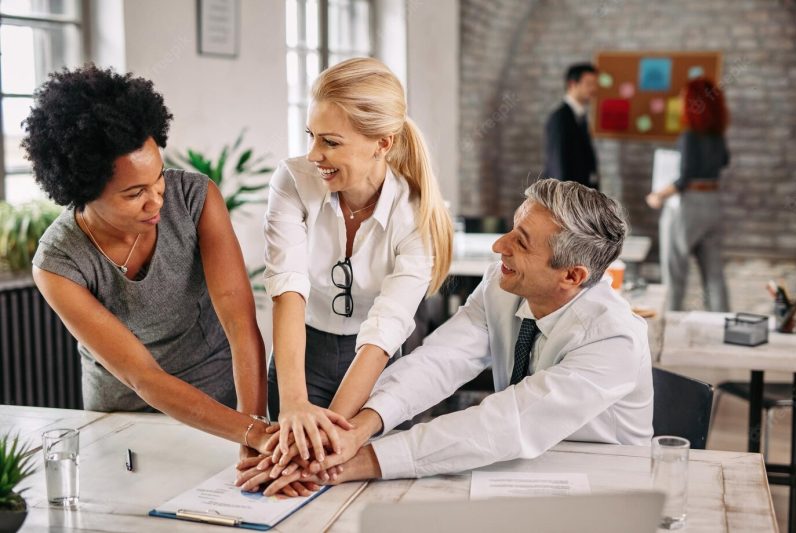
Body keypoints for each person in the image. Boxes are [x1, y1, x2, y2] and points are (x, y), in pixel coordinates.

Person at [237, 178, 653, 491]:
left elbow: (510, 421)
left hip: (602, 485)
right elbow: (440, 360)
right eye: (511, 228)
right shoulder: (503, 284)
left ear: (572, 276)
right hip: (516, 471)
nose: (498, 246)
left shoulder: (613, 339)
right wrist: (359, 429)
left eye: (521, 243)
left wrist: (359, 462)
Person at [24, 65, 274, 456]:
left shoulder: (195, 198)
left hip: (221, 405)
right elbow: (143, 377)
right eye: (134, 192)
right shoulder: (58, 263)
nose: (157, 199)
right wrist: (252, 433)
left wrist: (253, 425)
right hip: (123, 422)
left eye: (158, 178)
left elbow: (240, 322)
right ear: (84, 189)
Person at [262, 57, 453, 466]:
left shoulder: (415, 215)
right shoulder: (293, 181)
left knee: (353, 474)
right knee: (293, 472)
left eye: (330, 142)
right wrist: (294, 402)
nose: (314, 154)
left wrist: (333, 433)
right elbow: (288, 287)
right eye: (311, 136)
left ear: (382, 143)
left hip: (375, 363)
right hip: (303, 352)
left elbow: (386, 328)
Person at [646, 77, 730, 312]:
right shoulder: (718, 136)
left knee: (675, 273)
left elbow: (684, 179)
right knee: (714, 274)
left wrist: (657, 196)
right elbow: (724, 162)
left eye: (684, 98)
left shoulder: (689, 136)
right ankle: (721, 322)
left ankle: (670, 325)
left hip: (688, 207)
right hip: (713, 203)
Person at [543, 63, 600, 189]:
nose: (594, 88)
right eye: (589, 84)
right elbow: (558, 165)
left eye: (595, 84)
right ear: (572, 84)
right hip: (566, 200)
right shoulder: (560, 118)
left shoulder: (580, 116)